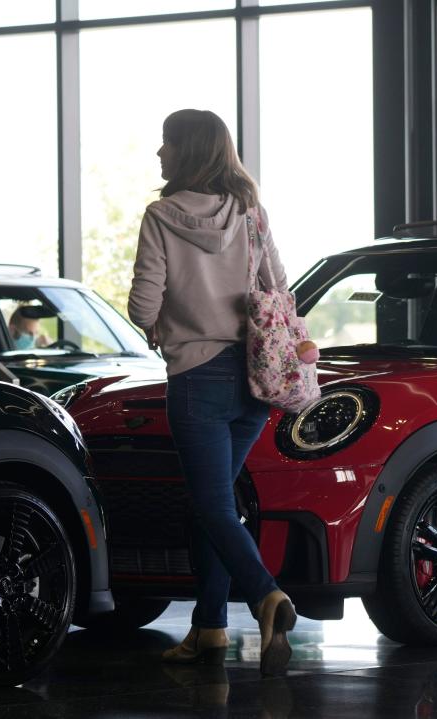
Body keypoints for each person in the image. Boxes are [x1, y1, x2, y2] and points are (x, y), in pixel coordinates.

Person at [128, 109, 296, 676]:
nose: (159, 154)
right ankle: (210, 630)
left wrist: (162, 326)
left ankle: (265, 594)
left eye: (166, 143)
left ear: (188, 151)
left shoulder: (160, 216)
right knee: (213, 507)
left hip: (195, 378)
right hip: (252, 377)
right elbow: (279, 288)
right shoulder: (251, 213)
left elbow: (143, 306)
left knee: (212, 506)